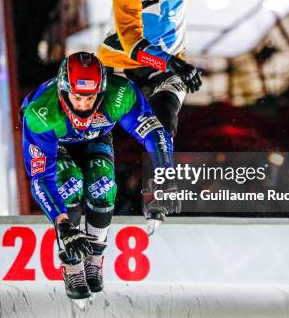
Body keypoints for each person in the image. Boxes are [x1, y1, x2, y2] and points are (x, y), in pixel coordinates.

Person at [21, 52, 175, 299]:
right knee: (68, 185)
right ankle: (72, 264)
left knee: (102, 185)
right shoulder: (40, 114)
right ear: (62, 93)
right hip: (54, 142)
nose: (82, 106)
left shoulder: (121, 94)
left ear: (102, 92)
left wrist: (164, 179)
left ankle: (94, 260)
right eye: (76, 97)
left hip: (97, 135)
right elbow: (41, 180)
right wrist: (63, 225)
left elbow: (154, 134)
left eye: (91, 98)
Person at [97, 0, 268, 138]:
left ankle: (161, 171)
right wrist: (170, 61)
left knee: (163, 129)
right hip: (120, 66)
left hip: (166, 68)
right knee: (95, 133)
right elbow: (133, 45)